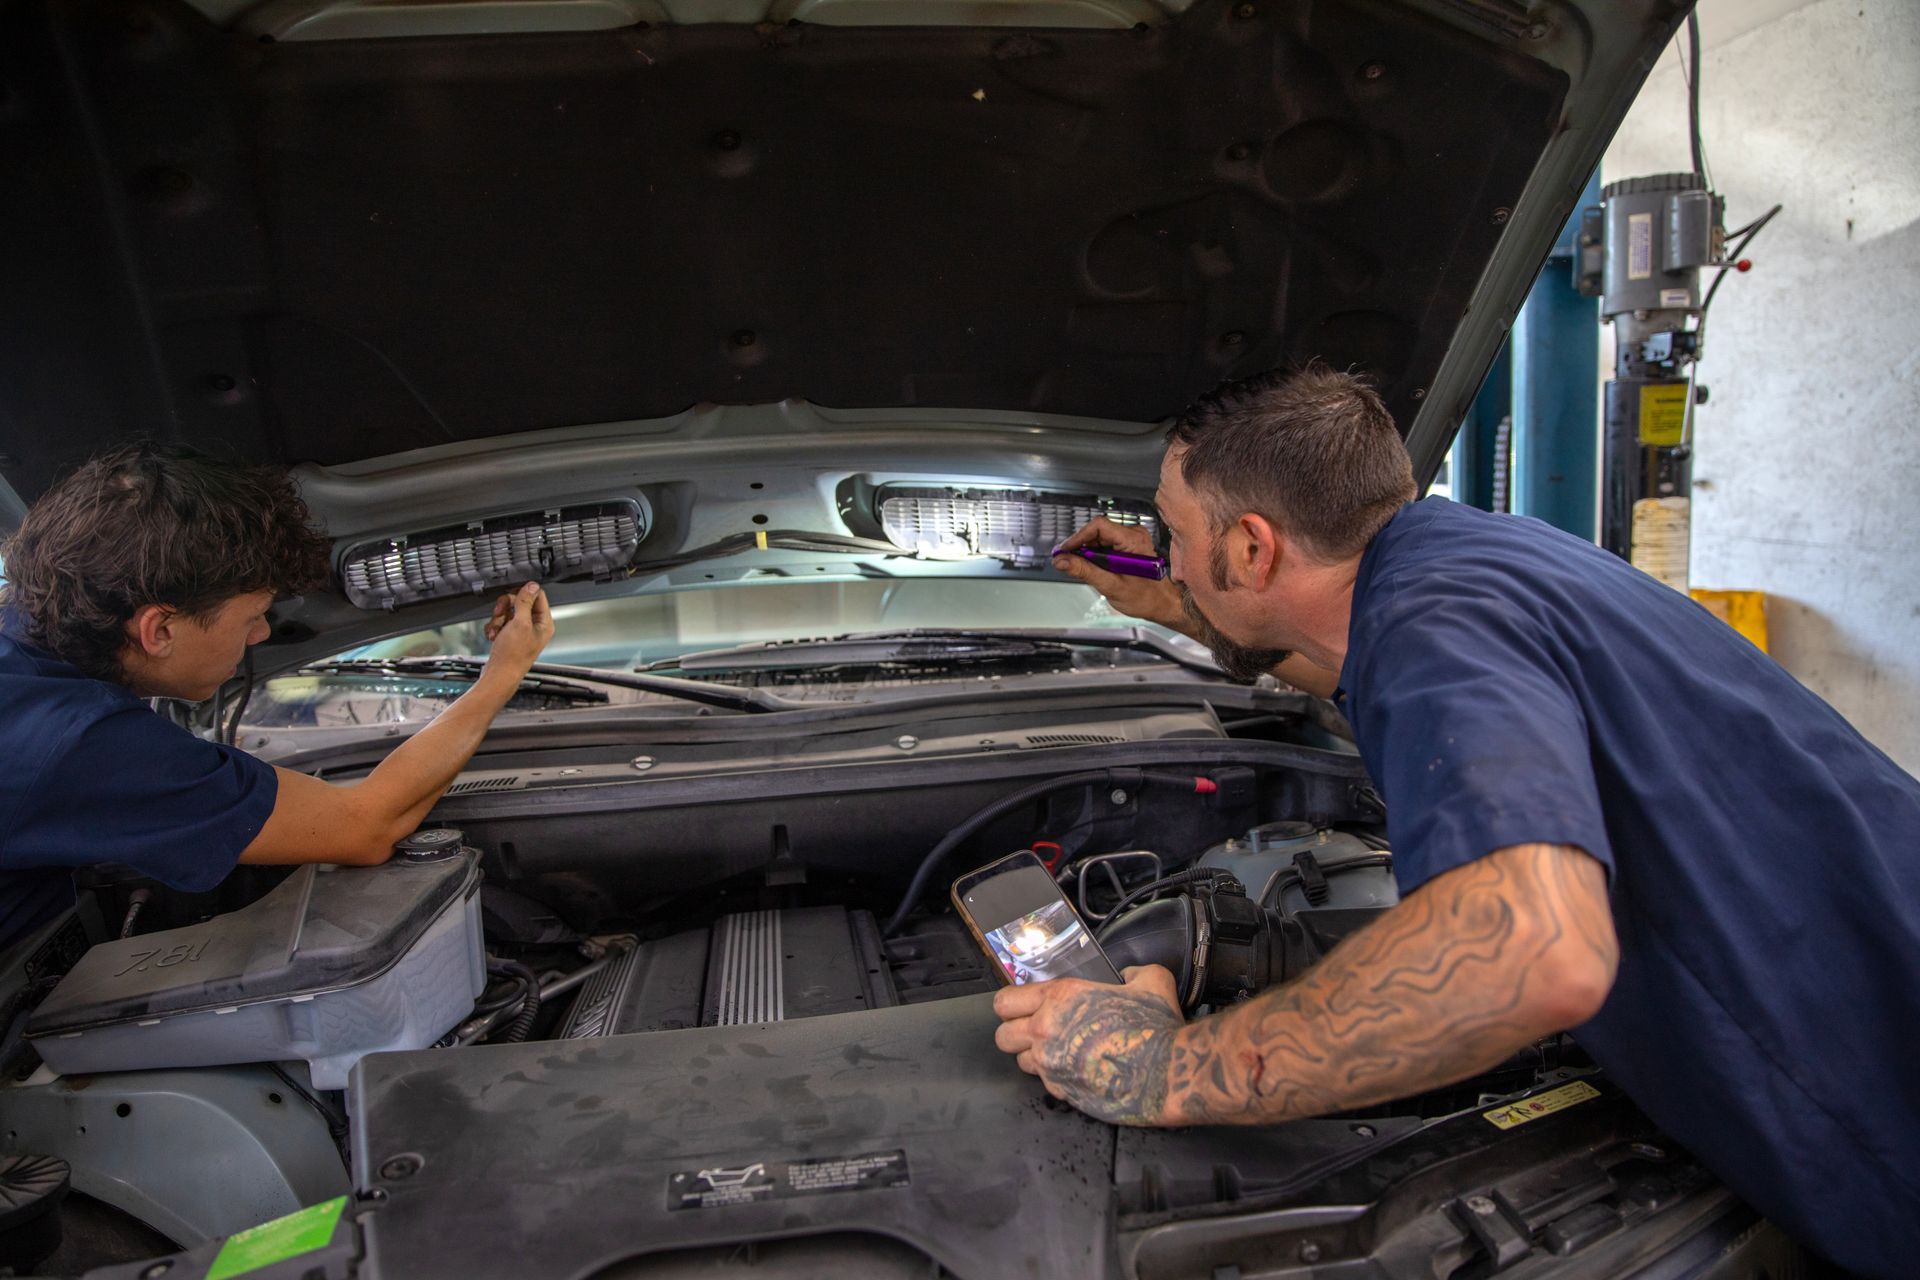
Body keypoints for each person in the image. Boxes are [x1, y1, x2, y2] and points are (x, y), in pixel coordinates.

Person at [990, 365, 1920, 1276]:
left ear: (1252, 549)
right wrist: (1184, 607)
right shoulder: (1465, 558)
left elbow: (1530, 952)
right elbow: (1358, 673)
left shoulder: (1432, 627)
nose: (1172, 556)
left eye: (1178, 534)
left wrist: (1163, 1070)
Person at [0, 443, 556, 950]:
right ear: (158, 630)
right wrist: (503, 674)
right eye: (252, 616)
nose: (262, 635)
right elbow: (368, 825)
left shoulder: (20, 632)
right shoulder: (79, 743)